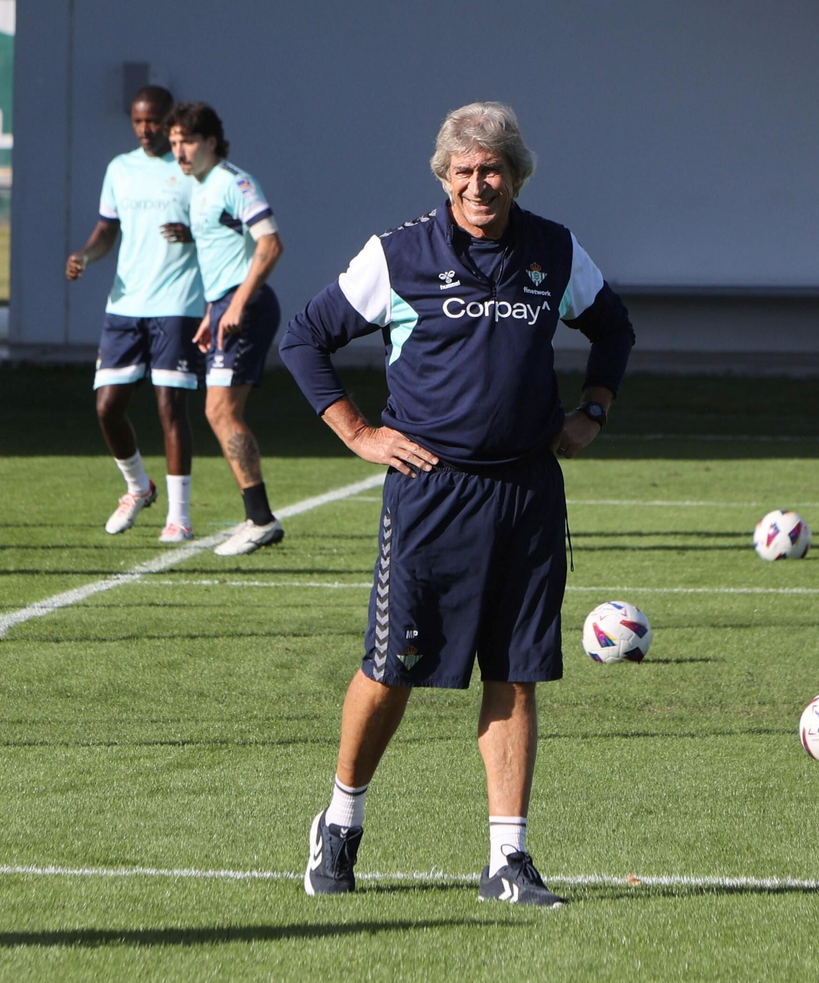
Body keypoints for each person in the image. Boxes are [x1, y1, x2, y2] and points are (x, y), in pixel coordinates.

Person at [280, 102, 634, 906]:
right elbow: (305, 337)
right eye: (465, 171)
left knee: (515, 672)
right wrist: (358, 431)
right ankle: (339, 822)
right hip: (430, 493)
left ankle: (507, 859)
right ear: (444, 177)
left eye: (494, 168)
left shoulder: (553, 248)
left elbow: (613, 326)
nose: (480, 183)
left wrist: (593, 411)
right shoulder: (399, 253)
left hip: (527, 490)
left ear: (516, 172)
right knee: (392, 667)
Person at [66, 85, 205, 542]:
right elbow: (107, 229)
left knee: (171, 407)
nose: (146, 130)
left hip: (177, 303)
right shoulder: (120, 169)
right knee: (107, 407)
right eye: (138, 122)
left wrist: (193, 232)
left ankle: (179, 517)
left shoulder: (191, 169)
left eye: (153, 121)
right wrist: (86, 255)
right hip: (126, 305)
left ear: (169, 121)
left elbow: (221, 223)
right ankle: (137, 487)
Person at [165, 102, 287, 555]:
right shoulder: (200, 187)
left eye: (188, 141)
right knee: (217, 411)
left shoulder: (235, 182)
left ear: (210, 142)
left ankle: (261, 520)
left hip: (247, 305)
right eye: (174, 142)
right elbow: (225, 253)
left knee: (220, 410)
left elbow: (270, 244)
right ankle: (257, 517)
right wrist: (211, 313)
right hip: (226, 306)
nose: (179, 150)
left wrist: (235, 304)